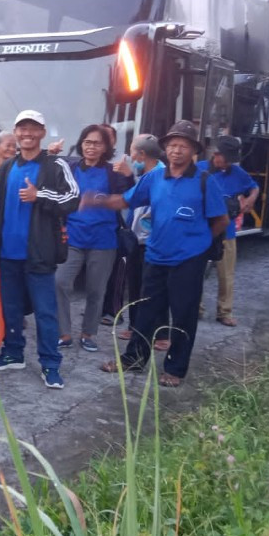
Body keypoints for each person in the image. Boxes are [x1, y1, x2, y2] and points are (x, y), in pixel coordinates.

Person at [87, 120, 228, 387]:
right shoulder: (154, 178)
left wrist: (199, 244)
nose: (176, 150)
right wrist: (98, 200)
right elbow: (127, 199)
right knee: (146, 311)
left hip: (188, 260)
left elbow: (221, 219)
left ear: (193, 151)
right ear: (165, 148)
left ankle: (175, 369)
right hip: (155, 255)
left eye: (183, 146)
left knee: (183, 314)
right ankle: (134, 359)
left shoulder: (204, 181)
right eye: (172, 145)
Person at [0, 110, 79, 389]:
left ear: (42, 132)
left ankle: (50, 364)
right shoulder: (7, 167)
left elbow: (73, 198)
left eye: (33, 128)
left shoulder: (55, 165)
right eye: (22, 128)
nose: (27, 133)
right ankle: (13, 353)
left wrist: (40, 195)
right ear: (16, 132)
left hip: (39, 253)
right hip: (8, 253)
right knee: (11, 308)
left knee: (45, 312)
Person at [55, 125, 132, 353]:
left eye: (97, 143)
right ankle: (64, 333)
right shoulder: (70, 168)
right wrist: (50, 154)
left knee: (96, 290)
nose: (91, 147)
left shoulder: (112, 171)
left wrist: (129, 175)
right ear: (81, 144)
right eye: (87, 142)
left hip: (103, 240)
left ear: (106, 147)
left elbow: (128, 197)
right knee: (59, 282)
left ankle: (88, 334)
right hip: (73, 237)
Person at [197, 136, 259, 326]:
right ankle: (195, 308)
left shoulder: (238, 173)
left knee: (226, 274)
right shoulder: (199, 169)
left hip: (227, 231)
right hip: (201, 229)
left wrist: (251, 199)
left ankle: (224, 311)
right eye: (225, 159)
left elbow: (254, 187)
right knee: (196, 271)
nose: (227, 164)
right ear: (216, 155)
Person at [117, 134, 164, 342]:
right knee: (135, 285)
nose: (130, 157)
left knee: (154, 288)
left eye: (132, 152)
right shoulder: (143, 173)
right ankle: (134, 326)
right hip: (136, 239)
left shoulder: (161, 174)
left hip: (154, 240)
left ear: (142, 154)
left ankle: (161, 333)